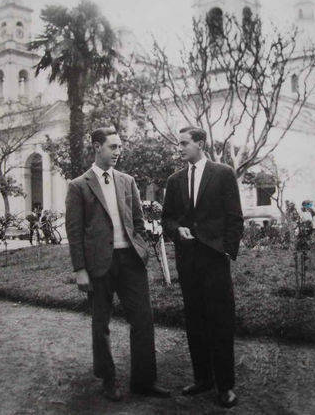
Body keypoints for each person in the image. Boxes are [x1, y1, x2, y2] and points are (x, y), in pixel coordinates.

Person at [65, 127, 170, 402]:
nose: (118, 151)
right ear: (97, 147)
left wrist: (142, 249)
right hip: (99, 265)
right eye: (113, 146)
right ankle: (108, 379)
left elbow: (137, 221)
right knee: (101, 324)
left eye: (120, 146)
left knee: (143, 321)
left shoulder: (127, 181)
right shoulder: (79, 185)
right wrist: (80, 270)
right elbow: (74, 232)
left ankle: (144, 381)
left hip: (130, 261)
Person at [162, 126, 243, 409]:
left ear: (200, 143)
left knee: (220, 321)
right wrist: (177, 230)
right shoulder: (175, 180)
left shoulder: (223, 173)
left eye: (184, 143)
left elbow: (235, 217)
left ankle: (225, 386)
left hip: (214, 259)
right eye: (179, 144)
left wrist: (227, 251)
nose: (180, 148)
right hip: (189, 260)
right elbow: (167, 219)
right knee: (195, 320)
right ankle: (203, 378)